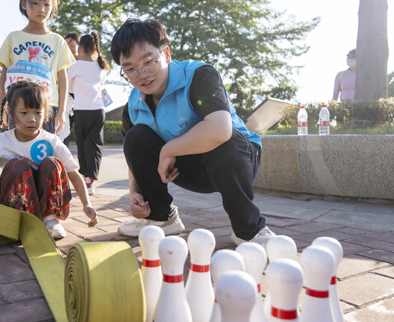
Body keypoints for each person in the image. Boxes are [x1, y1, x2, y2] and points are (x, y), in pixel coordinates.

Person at [112, 18, 274, 247]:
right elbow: (134, 156)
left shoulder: (199, 75)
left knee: (226, 141)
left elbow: (220, 129)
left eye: (149, 61)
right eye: (130, 69)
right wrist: (134, 193)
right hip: (184, 168)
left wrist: (168, 150)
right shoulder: (133, 104)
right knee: (135, 137)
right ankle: (161, 218)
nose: (142, 74)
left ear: (166, 54)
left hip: (236, 158)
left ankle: (248, 229)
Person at [0, 80, 98, 239]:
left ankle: (50, 219)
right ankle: (19, 220)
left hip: (47, 206)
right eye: (24, 112)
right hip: (14, 205)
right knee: (18, 165)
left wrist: (86, 204)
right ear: (10, 113)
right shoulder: (1, 142)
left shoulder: (52, 141)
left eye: (37, 112)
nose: (32, 119)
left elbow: (73, 174)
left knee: (51, 163)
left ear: (45, 113)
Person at [0, 0, 75, 133]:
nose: (41, 9)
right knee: (18, 147)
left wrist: (62, 110)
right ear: (23, 4)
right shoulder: (13, 38)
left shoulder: (57, 40)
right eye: (35, 3)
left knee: (45, 148)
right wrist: (1, 106)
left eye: (46, 4)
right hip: (18, 105)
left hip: (47, 106)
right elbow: (3, 77)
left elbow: (62, 78)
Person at [68, 32, 110, 195]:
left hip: (81, 110)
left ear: (81, 49)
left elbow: (69, 87)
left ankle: (85, 176)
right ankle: (90, 180)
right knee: (95, 144)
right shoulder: (101, 66)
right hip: (99, 110)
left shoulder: (75, 66)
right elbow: (101, 85)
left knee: (82, 143)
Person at [63, 32, 80, 147]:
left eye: (72, 46)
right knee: (64, 130)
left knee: (81, 131)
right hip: (66, 99)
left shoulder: (84, 62)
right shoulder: (61, 63)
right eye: (66, 46)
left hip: (81, 100)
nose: (69, 49)